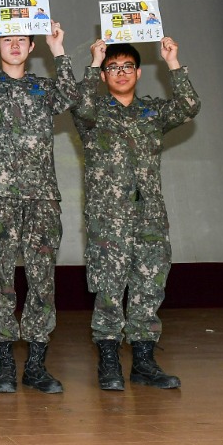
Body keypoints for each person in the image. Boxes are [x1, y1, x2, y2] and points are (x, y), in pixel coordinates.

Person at [71, 37, 199, 391]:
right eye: (112, 68)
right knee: (110, 288)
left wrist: (172, 61)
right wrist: (94, 59)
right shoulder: (93, 114)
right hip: (108, 218)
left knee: (149, 287)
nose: (121, 73)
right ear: (103, 75)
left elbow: (189, 105)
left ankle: (144, 361)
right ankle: (109, 361)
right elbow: (78, 104)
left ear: (139, 73)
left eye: (127, 66)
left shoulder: (152, 112)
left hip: (150, 217)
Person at [0, 21, 77, 394]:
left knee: (41, 281)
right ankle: (4, 363)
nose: (15, 45)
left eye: (22, 40)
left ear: (31, 46)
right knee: (1, 279)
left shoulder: (43, 87)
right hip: (0, 196)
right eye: (7, 40)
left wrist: (59, 49)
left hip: (42, 197)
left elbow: (70, 97)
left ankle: (36, 364)